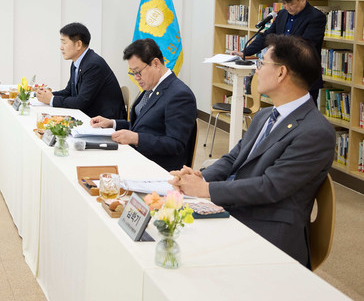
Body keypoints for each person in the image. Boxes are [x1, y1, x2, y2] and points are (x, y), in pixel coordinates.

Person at [171, 35, 335, 268]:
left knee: (182, 253)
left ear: (281, 73)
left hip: (268, 228)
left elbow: (270, 187)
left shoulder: (316, 132)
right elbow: (233, 158)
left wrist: (205, 189)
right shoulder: (266, 115)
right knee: (167, 230)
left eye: (261, 63)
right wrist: (200, 177)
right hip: (238, 207)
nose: (256, 70)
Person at [90, 38, 196, 171]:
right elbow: (143, 125)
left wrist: (137, 139)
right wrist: (112, 123)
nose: (136, 78)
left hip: (157, 167)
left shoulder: (180, 95)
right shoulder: (151, 87)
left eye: (138, 72)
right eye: (133, 73)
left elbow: (175, 144)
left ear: (156, 63)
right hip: (137, 155)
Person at [234, 0, 325, 103]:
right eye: (284, 3)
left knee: (303, 112)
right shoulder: (282, 14)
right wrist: (245, 52)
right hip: (281, 76)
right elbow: (267, 36)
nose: (287, 7)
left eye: (291, 3)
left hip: (303, 76)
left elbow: (306, 45)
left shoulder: (316, 17)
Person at [36, 22, 126, 119]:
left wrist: (52, 100)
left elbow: (81, 102)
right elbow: (69, 91)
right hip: (90, 115)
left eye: (64, 42)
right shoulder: (77, 62)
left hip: (105, 120)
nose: (61, 47)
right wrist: (46, 95)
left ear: (78, 44)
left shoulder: (93, 64)